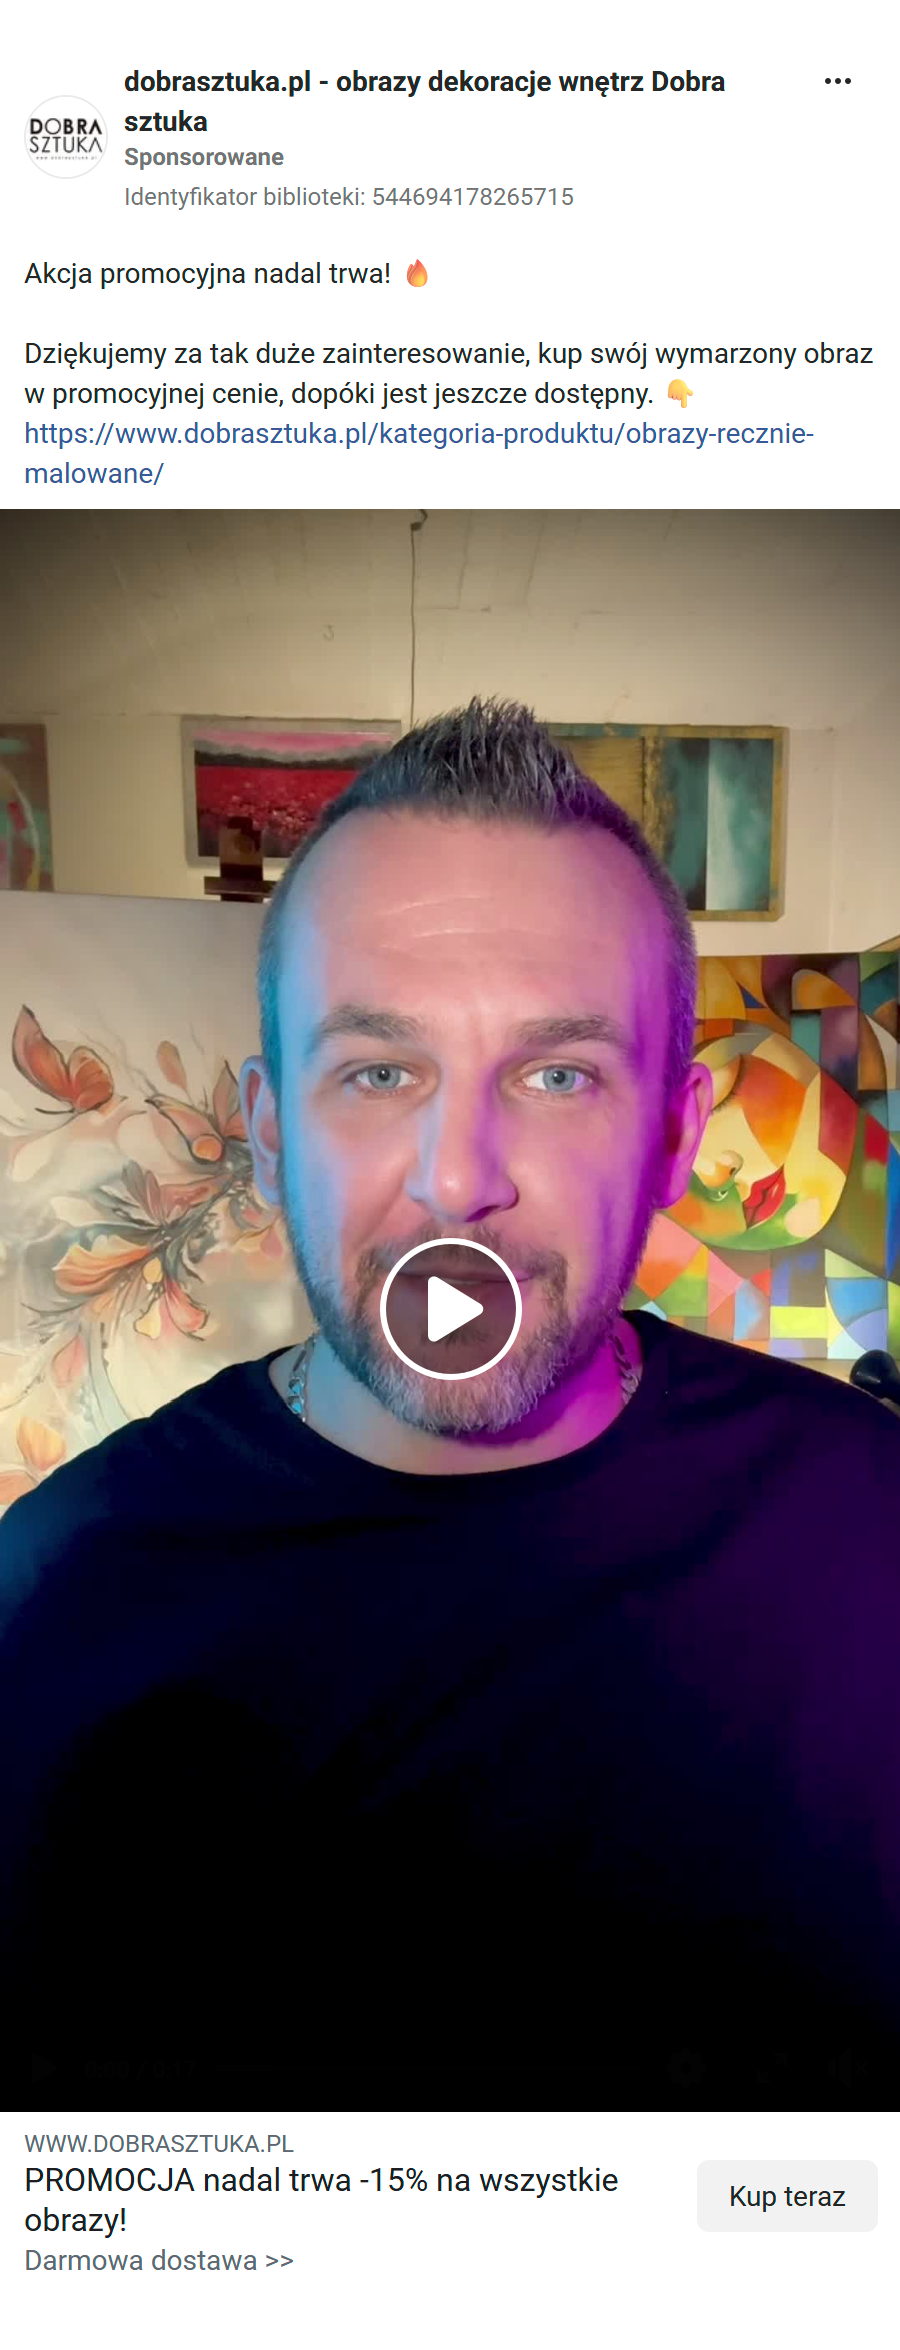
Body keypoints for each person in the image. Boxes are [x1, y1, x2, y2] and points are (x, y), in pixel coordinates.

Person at [0, 698, 897, 2112]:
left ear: (673, 1134)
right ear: (271, 1130)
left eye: (556, 1073)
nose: (458, 1178)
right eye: (380, 1070)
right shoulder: (59, 1602)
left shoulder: (866, 1522)